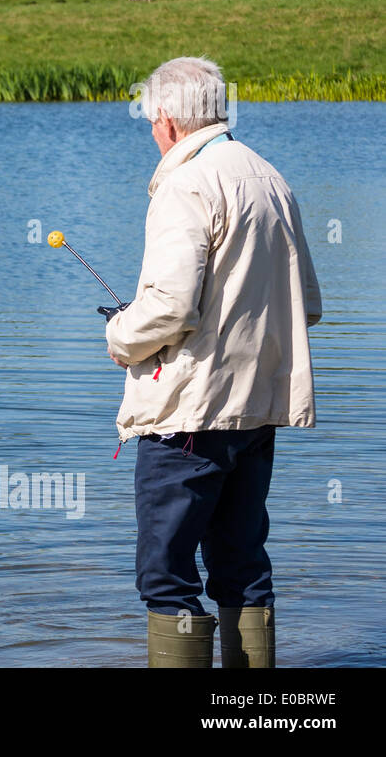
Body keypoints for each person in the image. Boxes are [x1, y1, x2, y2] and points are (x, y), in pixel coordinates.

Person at [104, 57, 321, 668]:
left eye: (151, 121)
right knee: (243, 565)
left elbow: (169, 308)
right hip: (256, 416)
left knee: (166, 577)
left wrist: (120, 335)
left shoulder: (186, 182)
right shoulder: (269, 176)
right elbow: (308, 301)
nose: (152, 132)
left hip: (188, 419)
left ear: (168, 120)